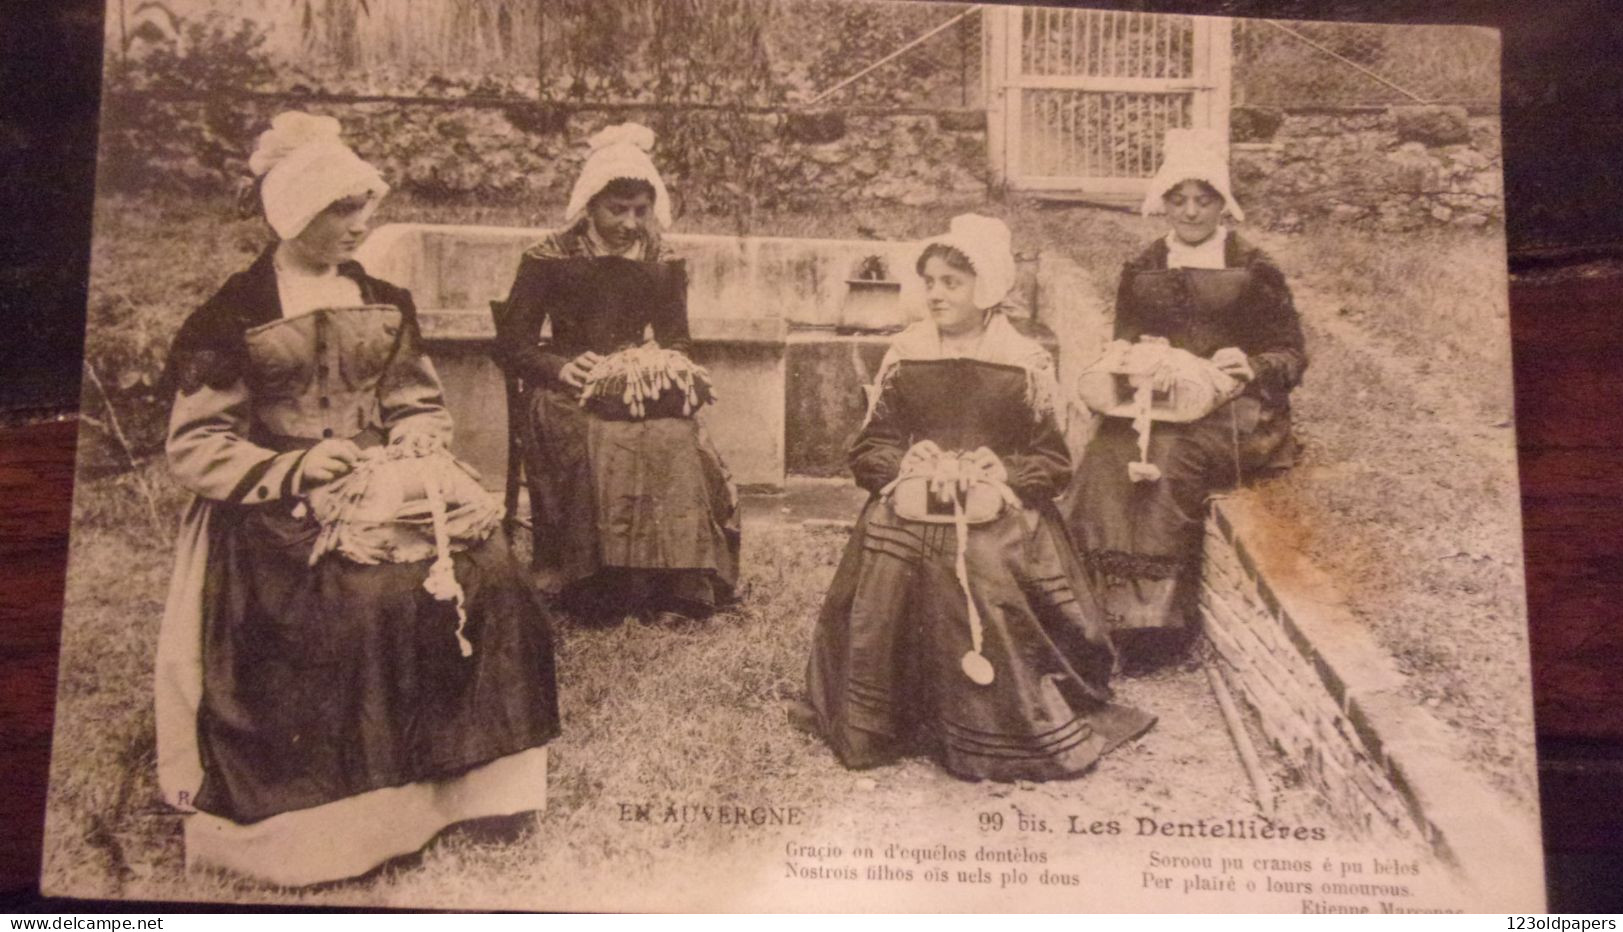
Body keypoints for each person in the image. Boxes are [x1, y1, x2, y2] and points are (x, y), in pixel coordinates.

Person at [153, 112, 560, 887]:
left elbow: (414, 400)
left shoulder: (384, 298)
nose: (359, 224)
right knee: (359, 603)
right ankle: (340, 828)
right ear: (296, 213)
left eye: (362, 207)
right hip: (272, 514)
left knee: (496, 577)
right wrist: (300, 465)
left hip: (379, 491)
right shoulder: (231, 316)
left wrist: (413, 438)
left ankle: (474, 793)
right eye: (342, 210)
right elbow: (197, 446)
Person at [798, 214, 1154, 782]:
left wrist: (1004, 472)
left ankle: (986, 725)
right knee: (894, 545)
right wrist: (902, 463)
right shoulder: (906, 355)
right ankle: (888, 716)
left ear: (985, 288)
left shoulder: (1023, 362)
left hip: (1000, 509)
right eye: (930, 281)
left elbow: (1053, 462)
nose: (935, 293)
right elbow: (871, 447)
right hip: (919, 496)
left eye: (951, 282)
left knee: (980, 560)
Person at [1062, 129, 1308, 670]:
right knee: (1108, 453)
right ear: (1163, 202)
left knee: (1169, 458)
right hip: (1156, 399)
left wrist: (1252, 365)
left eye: (1204, 199)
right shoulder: (1144, 267)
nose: (1192, 212)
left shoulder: (1254, 266)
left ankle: (1153, 629)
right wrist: (1128, 360)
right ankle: (1086, 615)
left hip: (1237, 409)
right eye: (1179, 199)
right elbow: (1122, 338)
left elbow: (1291, 353)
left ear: (1223, 203)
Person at [493, 123, 738, 626]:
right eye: (617, 210)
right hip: (565, 387)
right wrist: (561, 367)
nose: (630, 223)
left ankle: (677, 585)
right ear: (590, 204)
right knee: (597, 438)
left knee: (674, 437)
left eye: (640, 211)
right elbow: (511, 345)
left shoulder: (662, 260)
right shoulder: (549, 257)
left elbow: (678, 340)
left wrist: (657, 364)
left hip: (635, 382)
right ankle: (600, 586)